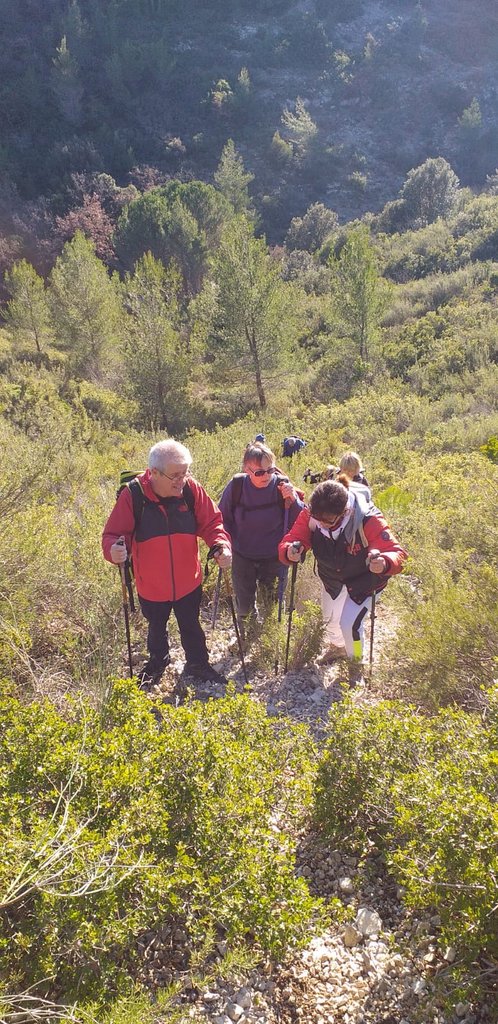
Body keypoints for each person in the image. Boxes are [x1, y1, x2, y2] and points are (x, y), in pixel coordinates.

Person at [102, 439, 232, 688]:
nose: (181, 480)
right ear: (153, 474)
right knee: (156, 626)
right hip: (151, 585)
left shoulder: (191, 489)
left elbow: (212, 522)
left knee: (191, 623)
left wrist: (221, 545)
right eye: (175, 475)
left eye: (185, 473)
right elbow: (113, 534)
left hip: (188, 580)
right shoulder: (134, 495)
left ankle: (197, 663)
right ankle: (158, 662)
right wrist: (113, 550)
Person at [279, 475, 407, 685]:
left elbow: (396, 551)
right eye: (316, 518)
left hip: (366, 581)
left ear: (345, 512)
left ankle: (356, 663)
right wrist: (290, 551)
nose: (320, 524)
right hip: (332, 578)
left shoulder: (368, 518)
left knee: (350, 625)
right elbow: (295, 537)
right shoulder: (313, 513)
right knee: (330, 622)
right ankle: (337, 648)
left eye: (327, 521)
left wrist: (384, 562)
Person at [218, 441, 305, 635]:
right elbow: (221, 519)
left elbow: (300, 520)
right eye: (259, 472)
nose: (266, 476)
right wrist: (223, 546)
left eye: (270, 470)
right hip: (243, 554)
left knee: (273, 603)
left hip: (274, 556)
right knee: (244, 604)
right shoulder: (237, 486)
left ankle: (271, 638)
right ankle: (248, 636)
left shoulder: (282, 485)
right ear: (246, 469)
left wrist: (293, 499)